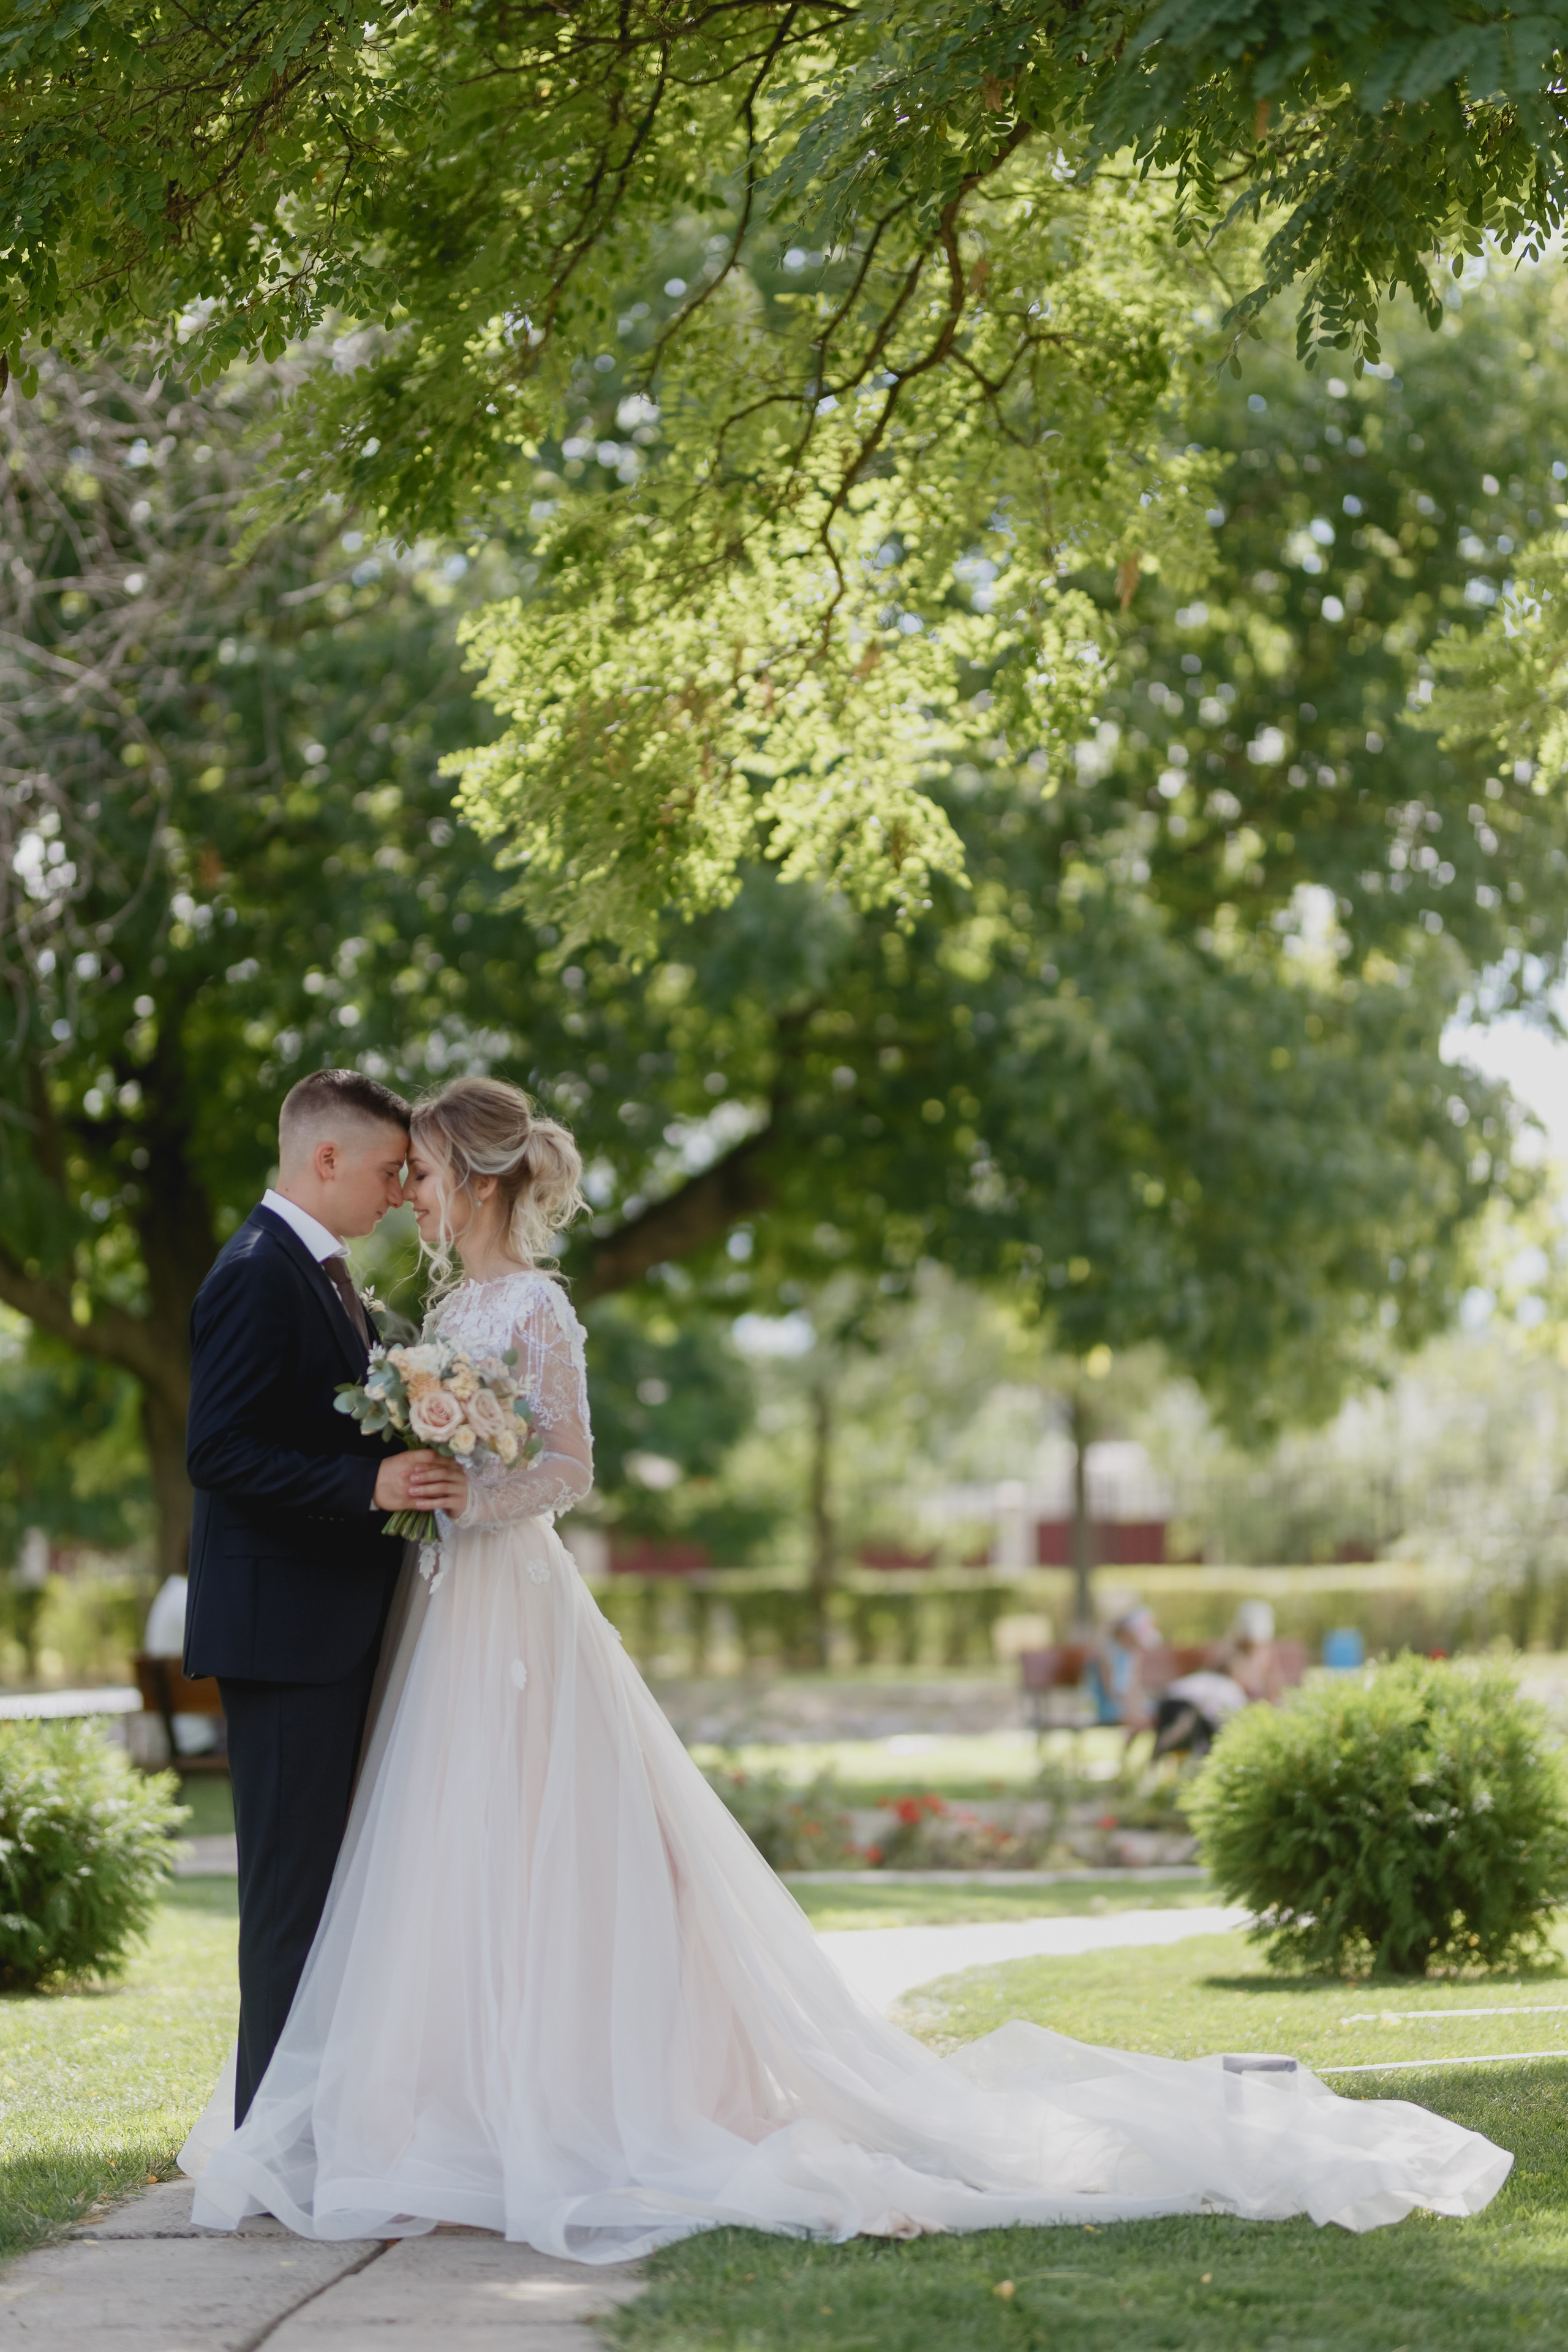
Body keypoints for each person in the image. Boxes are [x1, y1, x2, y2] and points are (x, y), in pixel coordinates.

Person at [180, 1076, 1512, 2251]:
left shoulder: (530, 1305)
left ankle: (556, 2101)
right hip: (435, 1609)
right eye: (397, 1170)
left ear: (467, 1177)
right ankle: (432, 2099)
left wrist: (461, 1494)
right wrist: (416, 1480)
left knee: (534, 1837)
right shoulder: (434, 1300)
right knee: (437, 1852)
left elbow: (567, 1469)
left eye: (420, 1170)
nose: (408, 1191)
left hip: (505, 1600)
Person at [183, 1068, 467, 2126]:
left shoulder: (333, 1277)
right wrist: (370, 1482)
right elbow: (217, 1450)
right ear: (327, 1158)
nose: (402, 1191)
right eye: (391, 1170)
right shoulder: (259, 1271)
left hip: (327, 1628)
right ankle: (270, 2140)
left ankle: (316, 2126)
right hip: (286, 1635)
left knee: (332, 1899)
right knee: (292, 1905)